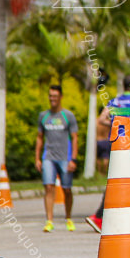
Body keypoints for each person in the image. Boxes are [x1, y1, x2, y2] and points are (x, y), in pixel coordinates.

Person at [85, 75, 130, 234]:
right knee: (128, 181)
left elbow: (101, 118)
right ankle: (100, 216)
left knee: (117, 180)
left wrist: (115, 123)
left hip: (116, 145)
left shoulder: (114, 102)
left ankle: (113, 217)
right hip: (128, 146)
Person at [35, 85, 78, 233]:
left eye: (55, 96)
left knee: (66, 189)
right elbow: (39, 138)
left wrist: (73, 159)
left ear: (61, 97)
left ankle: (68, 218)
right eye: (50, 96)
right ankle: (49, 221)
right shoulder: (43, 116)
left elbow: (74, 138)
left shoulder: (68, 116)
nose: (52, 98)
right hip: (49, 157)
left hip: (65, 157)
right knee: (48, 187)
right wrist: (37, 158)